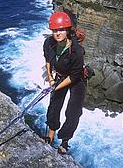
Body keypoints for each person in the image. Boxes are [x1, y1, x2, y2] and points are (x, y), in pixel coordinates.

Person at [43, 11, 86, 154]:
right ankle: (50, 135)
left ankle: (65, 142)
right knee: (54, 105)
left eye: (61, 29)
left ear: (67, 30)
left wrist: (55, 87)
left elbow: (73, 77)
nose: (57, 33)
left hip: (77, 79)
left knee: (73, 111)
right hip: (60, 75)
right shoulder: (49, 43)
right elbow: (48, 60)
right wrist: (50, 78)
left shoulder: (77, 51)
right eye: (55, 30)